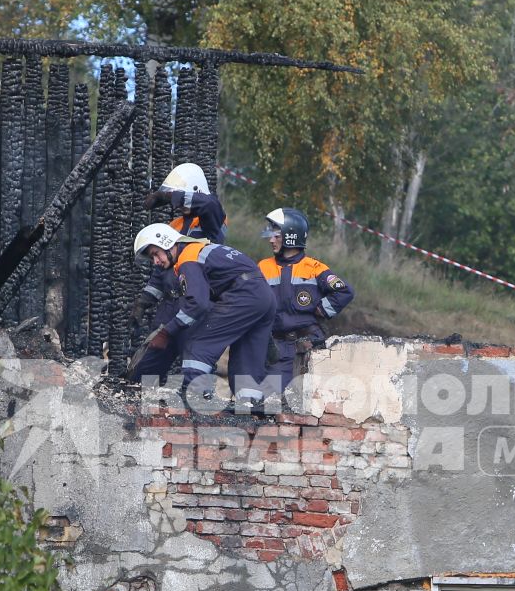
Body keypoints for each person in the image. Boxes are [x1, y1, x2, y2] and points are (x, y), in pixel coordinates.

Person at [133, 222, 274, 413]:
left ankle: (196, 397)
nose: (156, 261)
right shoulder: (198, 251)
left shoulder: (188, 259)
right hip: (263, 295)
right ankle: (250, 407)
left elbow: (197, 304)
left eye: (155, 254)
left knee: (198, 344)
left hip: (242, 295)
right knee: (247, 356)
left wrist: (167, 332)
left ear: (166, 243)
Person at [131, 163, 228, 383]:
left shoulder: (212, 220)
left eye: (180, 197)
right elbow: (161, 268)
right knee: (150, 359)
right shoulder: (173, 226)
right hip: (170, 303)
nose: (177, 205)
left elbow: (210, 203)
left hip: (198, 300)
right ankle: (140, 401)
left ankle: (198, 407)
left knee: (196, 361)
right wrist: (143, 302)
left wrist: (167, 197)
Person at [257, 208, 353, 398]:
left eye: (276, 235)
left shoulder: (314, 268)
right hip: (274, 347)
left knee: (304, 402)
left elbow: (344, 292)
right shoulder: (262, 267)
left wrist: (321, 310)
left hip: (307, 345)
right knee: (265, 401)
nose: (271, 240)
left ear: (291, 236)